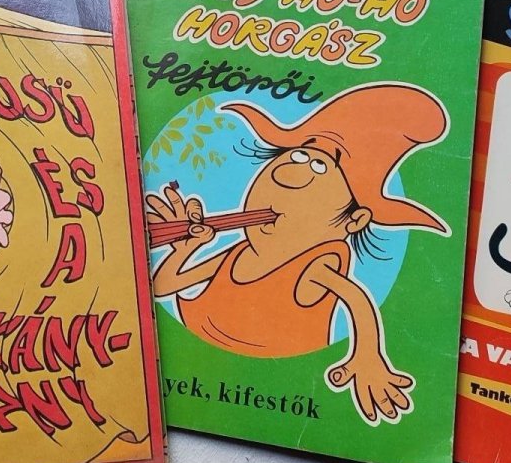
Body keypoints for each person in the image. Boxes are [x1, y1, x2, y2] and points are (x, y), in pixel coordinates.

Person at [147, 83, 449, 424]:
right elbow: (163, 286)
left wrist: (367, 355)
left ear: (355, 220)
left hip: (272, 401)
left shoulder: (313, 267)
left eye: (320, 166)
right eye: (297, 156)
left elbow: (357, 298)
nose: (288, 173)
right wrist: (187, 248)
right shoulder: (239, 253)